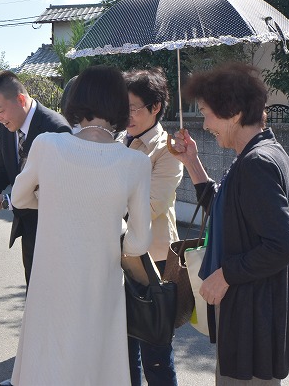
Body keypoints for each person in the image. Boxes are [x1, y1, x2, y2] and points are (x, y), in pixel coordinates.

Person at [171, 62, 289, 383]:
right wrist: (191, 161)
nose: (205, 124)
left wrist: (224, 275)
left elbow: (284, 244)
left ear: (233, 112)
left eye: (206, 112)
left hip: (254, 317)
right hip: (254, 314)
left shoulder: (256, 162)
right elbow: (224, 209)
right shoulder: (262, 153)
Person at [8, 65, 153, 385]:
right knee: (95, 368)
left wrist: (51, 207)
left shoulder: (46, 145)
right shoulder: (135, 163)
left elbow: (19, 198)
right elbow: (139, 243)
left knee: (47, 364)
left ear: (75, 101)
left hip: (51, 281)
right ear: (119, 106)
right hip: (100, 285)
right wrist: (114, 233)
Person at [0, 70, 71, 286]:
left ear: (21, 99)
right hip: (28, 230)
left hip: (54, 233)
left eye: (0, 111)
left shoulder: (56, 129)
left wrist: (5, 201)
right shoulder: (7, 125)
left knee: (53, 299)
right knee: (34, 295)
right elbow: (4, 170)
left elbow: (53, 193)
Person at [120, 68, 182, 386]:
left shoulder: (168, 150)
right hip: (118, 260)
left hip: (153, 262)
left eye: (133, 107)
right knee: (121, 352)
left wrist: (105, 209)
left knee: (156, 355)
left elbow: (151, 206)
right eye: (123, 106)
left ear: (155, 107)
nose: (126, 114)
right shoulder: (117, 141)